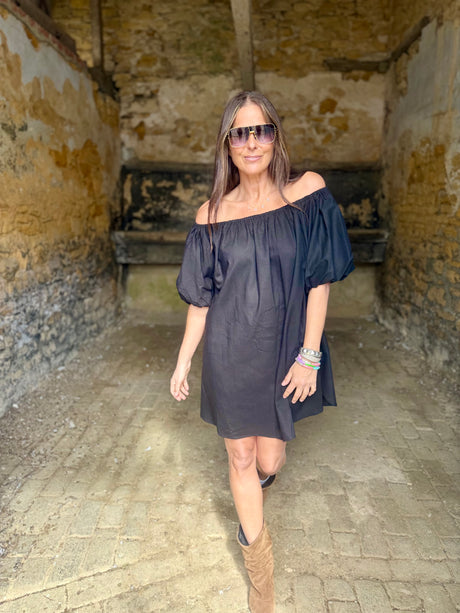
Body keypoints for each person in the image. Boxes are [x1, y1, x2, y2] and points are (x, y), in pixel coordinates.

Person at [170, 90, 354, 612]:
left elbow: (320, 281)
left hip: (285, 350)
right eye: (240, 133)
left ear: (276, 137)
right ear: (227, 144)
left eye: (262, 130)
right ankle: (261, 578)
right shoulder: (211, 215)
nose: (252, 143)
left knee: (269, 457)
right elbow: (202, 301)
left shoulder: (307, 193)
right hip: (229, 352)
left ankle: (256, 491)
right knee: (241, 455)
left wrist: (310, 354)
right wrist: (183, 361)